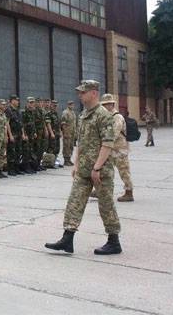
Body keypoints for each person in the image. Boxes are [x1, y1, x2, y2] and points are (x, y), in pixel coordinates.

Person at [45, 80, 122, 255]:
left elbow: (108, 143)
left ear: (93, 93)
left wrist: (97, 168)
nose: (80, 95)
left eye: (83, 92)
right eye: (79, 92)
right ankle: (67, 239)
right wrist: (77, 163)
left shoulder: (103, 115)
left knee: (106, 205)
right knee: (74, 202)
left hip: (100, 171)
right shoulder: (84, 114)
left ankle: (114, 241)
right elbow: (81, 142)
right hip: (84, 169)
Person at [100, 94, 134, 202]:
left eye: (107, 104)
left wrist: (103, 143)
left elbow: (113, 134)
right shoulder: (107, 117)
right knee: (105, 170)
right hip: (110, 150)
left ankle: (129, 192)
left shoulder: (117, 117)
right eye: (103, 105)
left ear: (112, 104)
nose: (104, 107)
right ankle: (101, 190)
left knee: (124, 171)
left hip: (119, 150)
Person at [61, 100, 77, 166]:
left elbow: (74, 123)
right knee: (66, 146)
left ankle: (69, 159)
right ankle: (66, 160)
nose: (72, 106)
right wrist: (64, 132)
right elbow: (63, 123)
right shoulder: (65, 112)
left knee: (71, 146)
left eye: (72, 104)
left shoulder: (73, 112)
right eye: (70, 104)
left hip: (72, 132)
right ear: (68, 105)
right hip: (67, 132)